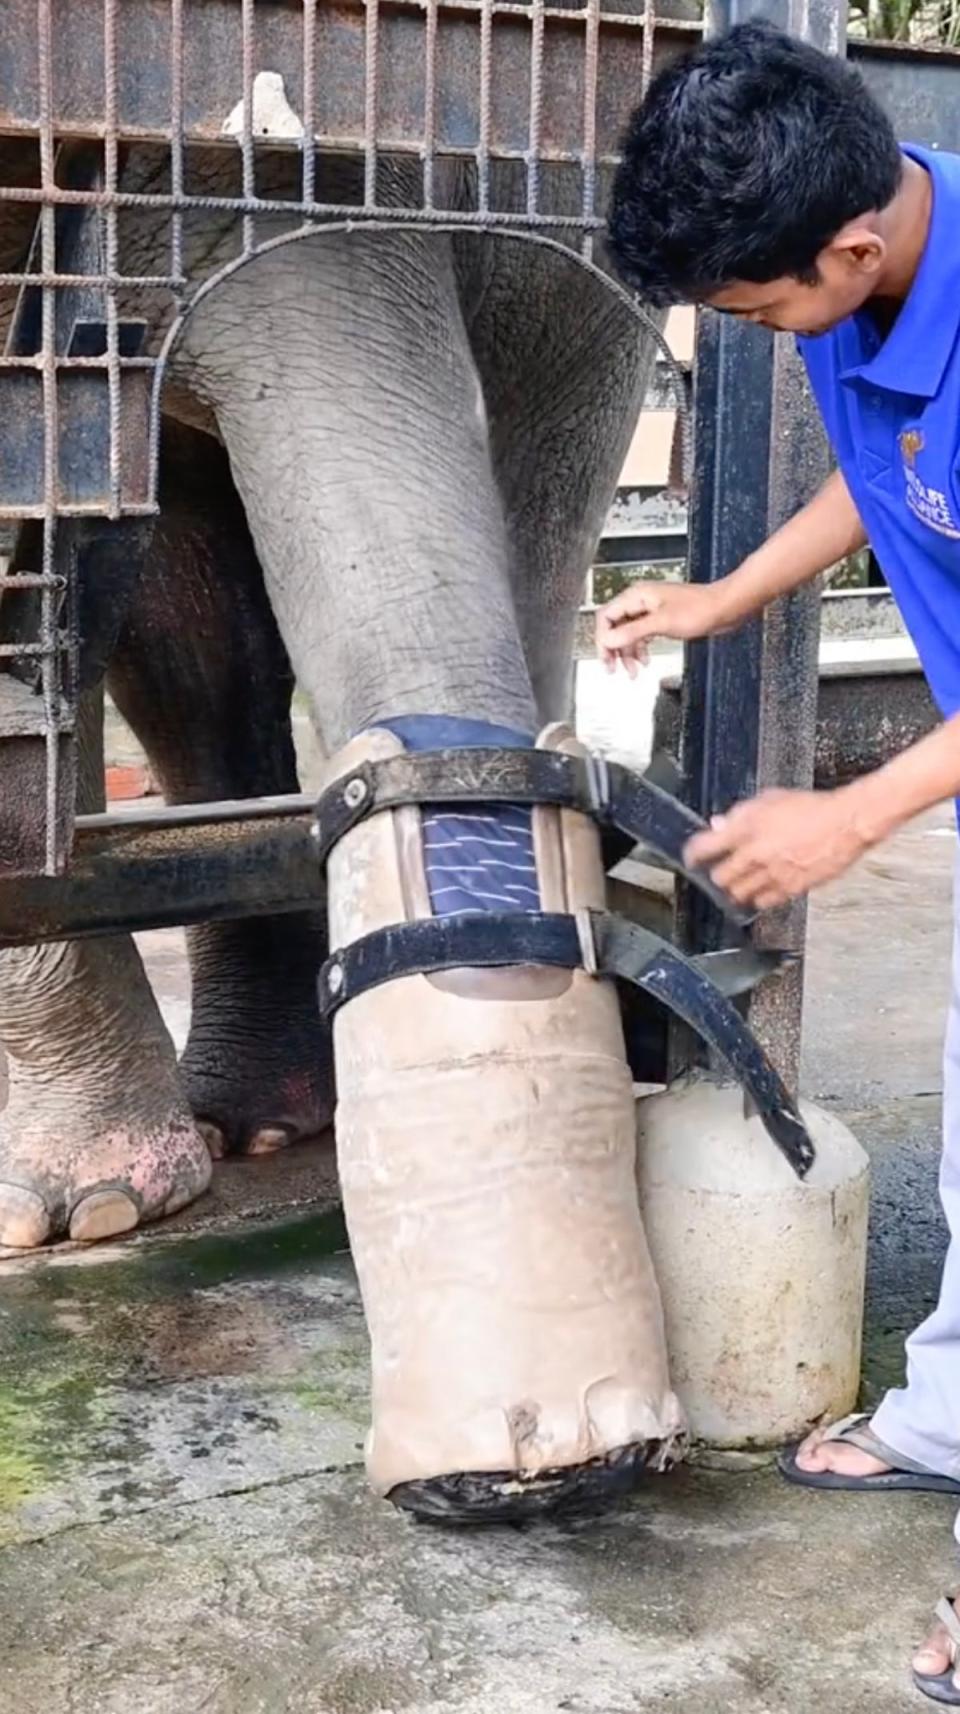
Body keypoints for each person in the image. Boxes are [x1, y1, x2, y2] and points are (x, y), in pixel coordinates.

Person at [597, 19, 960, 1702]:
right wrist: (721, 593)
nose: (756, 334)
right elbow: (888, 482)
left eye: (755, 313)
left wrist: (854, 811)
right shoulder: (870, 266)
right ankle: (949, 1415)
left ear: (851, 249)